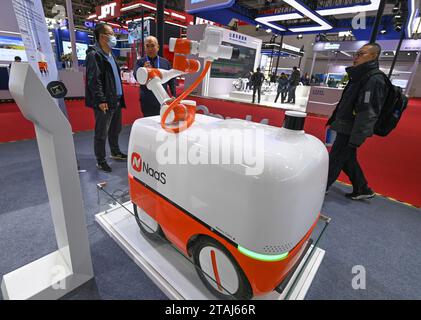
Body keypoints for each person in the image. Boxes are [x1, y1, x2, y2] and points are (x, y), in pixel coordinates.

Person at [325, 43, 388, 200]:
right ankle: (362, 188)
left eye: (361, 54)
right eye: (357, 53)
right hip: (346, 125)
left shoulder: (374, 80)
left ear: (374, 56)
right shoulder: (360, 76)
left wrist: (357, 136)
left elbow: (369, 112)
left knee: (336, 158)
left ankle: (320, 188)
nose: (356, 57)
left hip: (351, 129)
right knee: (347, 159)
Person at [85, 23, 127, 173]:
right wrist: (100, 100)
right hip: (105, 101)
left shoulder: (110, 54)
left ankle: (115, 152)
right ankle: (100, 160)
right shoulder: (94, 55)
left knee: (115, 129)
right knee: (101, 132)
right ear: (102, 37)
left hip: (116, 99)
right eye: (111, 34)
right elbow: (93, 80)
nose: (114, 37)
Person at [134, 36, 176, 117]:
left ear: (158, 47)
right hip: (147, 100)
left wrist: (174, 95)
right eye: (147, 46)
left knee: (165, 120)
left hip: (163, 98)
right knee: (149, 123)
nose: (150, 49)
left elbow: (172, 80)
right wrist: (143, 72)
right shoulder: (140, 62)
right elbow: (136, 76)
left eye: (152, 45)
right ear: (144, 48)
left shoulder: (165, 62)